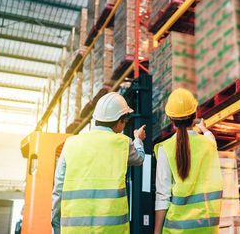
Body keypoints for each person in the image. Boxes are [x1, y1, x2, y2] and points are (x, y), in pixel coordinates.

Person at [51, 92, 146, 234]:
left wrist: (56, 226)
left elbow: (58, 189)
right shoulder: (122, 143)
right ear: (120, 121)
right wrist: (138, 139)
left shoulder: (70, 144)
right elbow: (139, 158)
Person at [154, 88, 223, 234]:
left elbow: (162, 196)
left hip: (176, 229)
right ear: (195, 115)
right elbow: (210, 137)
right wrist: (204, 129)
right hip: (207, 229)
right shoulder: (209, 144)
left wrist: (157, 232)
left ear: (170, 119)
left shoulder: (165, 149)